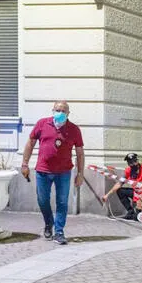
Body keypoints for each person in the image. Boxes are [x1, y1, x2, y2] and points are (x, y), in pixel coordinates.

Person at [21, 100, 85, 245]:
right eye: (57, 110)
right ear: (53, 111)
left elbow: (80, 153)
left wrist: (80, 174)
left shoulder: (74, 129)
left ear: (68, 113)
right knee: (42, 201)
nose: (60, 113)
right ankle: (49, 223)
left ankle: (59, 231)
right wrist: (25, 164)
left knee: (62, 202)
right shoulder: (42, 124)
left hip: (63, 172)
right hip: (43, 171)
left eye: (63, 111)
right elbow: (30, 143)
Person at [102, 153, 142, 220]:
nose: (132, 164)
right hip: (137, 193)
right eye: (130, 163)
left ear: (137, 161)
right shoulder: (129, 171)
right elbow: (119, 183)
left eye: (134, 161)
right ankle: (130, 211)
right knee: (120, 191)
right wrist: (107, 195)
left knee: (137, 217)